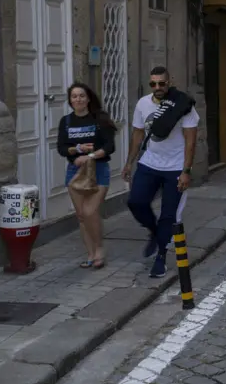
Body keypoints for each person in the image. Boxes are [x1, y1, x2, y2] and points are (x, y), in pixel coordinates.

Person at [123, 67, 200, 278]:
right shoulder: (143, 104)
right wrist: (129, 162)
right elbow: (138, 134)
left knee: (169, 214)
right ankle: (154, 232)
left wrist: (186, 171)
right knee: (136, 202)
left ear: (169, 82)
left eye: (162, 83)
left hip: (175, 167)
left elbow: (190, 141)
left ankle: (161, 257)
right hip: (149, 163)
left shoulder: (183, 106)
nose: (157, 88)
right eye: (153, 84)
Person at [57, 83, 116, 269]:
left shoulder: (99, 119)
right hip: (75, 172)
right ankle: (90, 254)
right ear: (70, 100)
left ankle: (99, 249)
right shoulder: (66, 122)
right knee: (82, 215)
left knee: (91, 211)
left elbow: (109, 146)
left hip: (98, 168)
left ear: (88, 98)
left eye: (81, 96)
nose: (78, 99)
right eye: (74, 96)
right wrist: (77, 149)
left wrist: (88, 156)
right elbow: (62, 148)